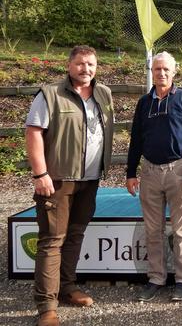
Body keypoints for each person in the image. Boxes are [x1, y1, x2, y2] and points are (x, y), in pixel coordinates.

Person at [25, 45, 114, 326]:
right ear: (69, 65)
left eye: (91, 64)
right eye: (80, 64)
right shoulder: (50, 95)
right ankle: (47, 306)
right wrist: (41, 174)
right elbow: (34, 133)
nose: (85, 69)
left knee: (75, 235)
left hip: (90, 179)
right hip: (58, 180)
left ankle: (67, 288)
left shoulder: (104, 94)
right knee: (52, 240)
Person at [126, 52, 182, 302]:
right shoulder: (144, 103)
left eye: (166, 69)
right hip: (149, 172)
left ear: (174, 72)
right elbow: (135, 140)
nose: (161, 73)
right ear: (152, 71)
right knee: (153, 230)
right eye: (157, 69)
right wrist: (130, 173)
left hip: (179, 171)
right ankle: (156, 278)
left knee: (181, 230)